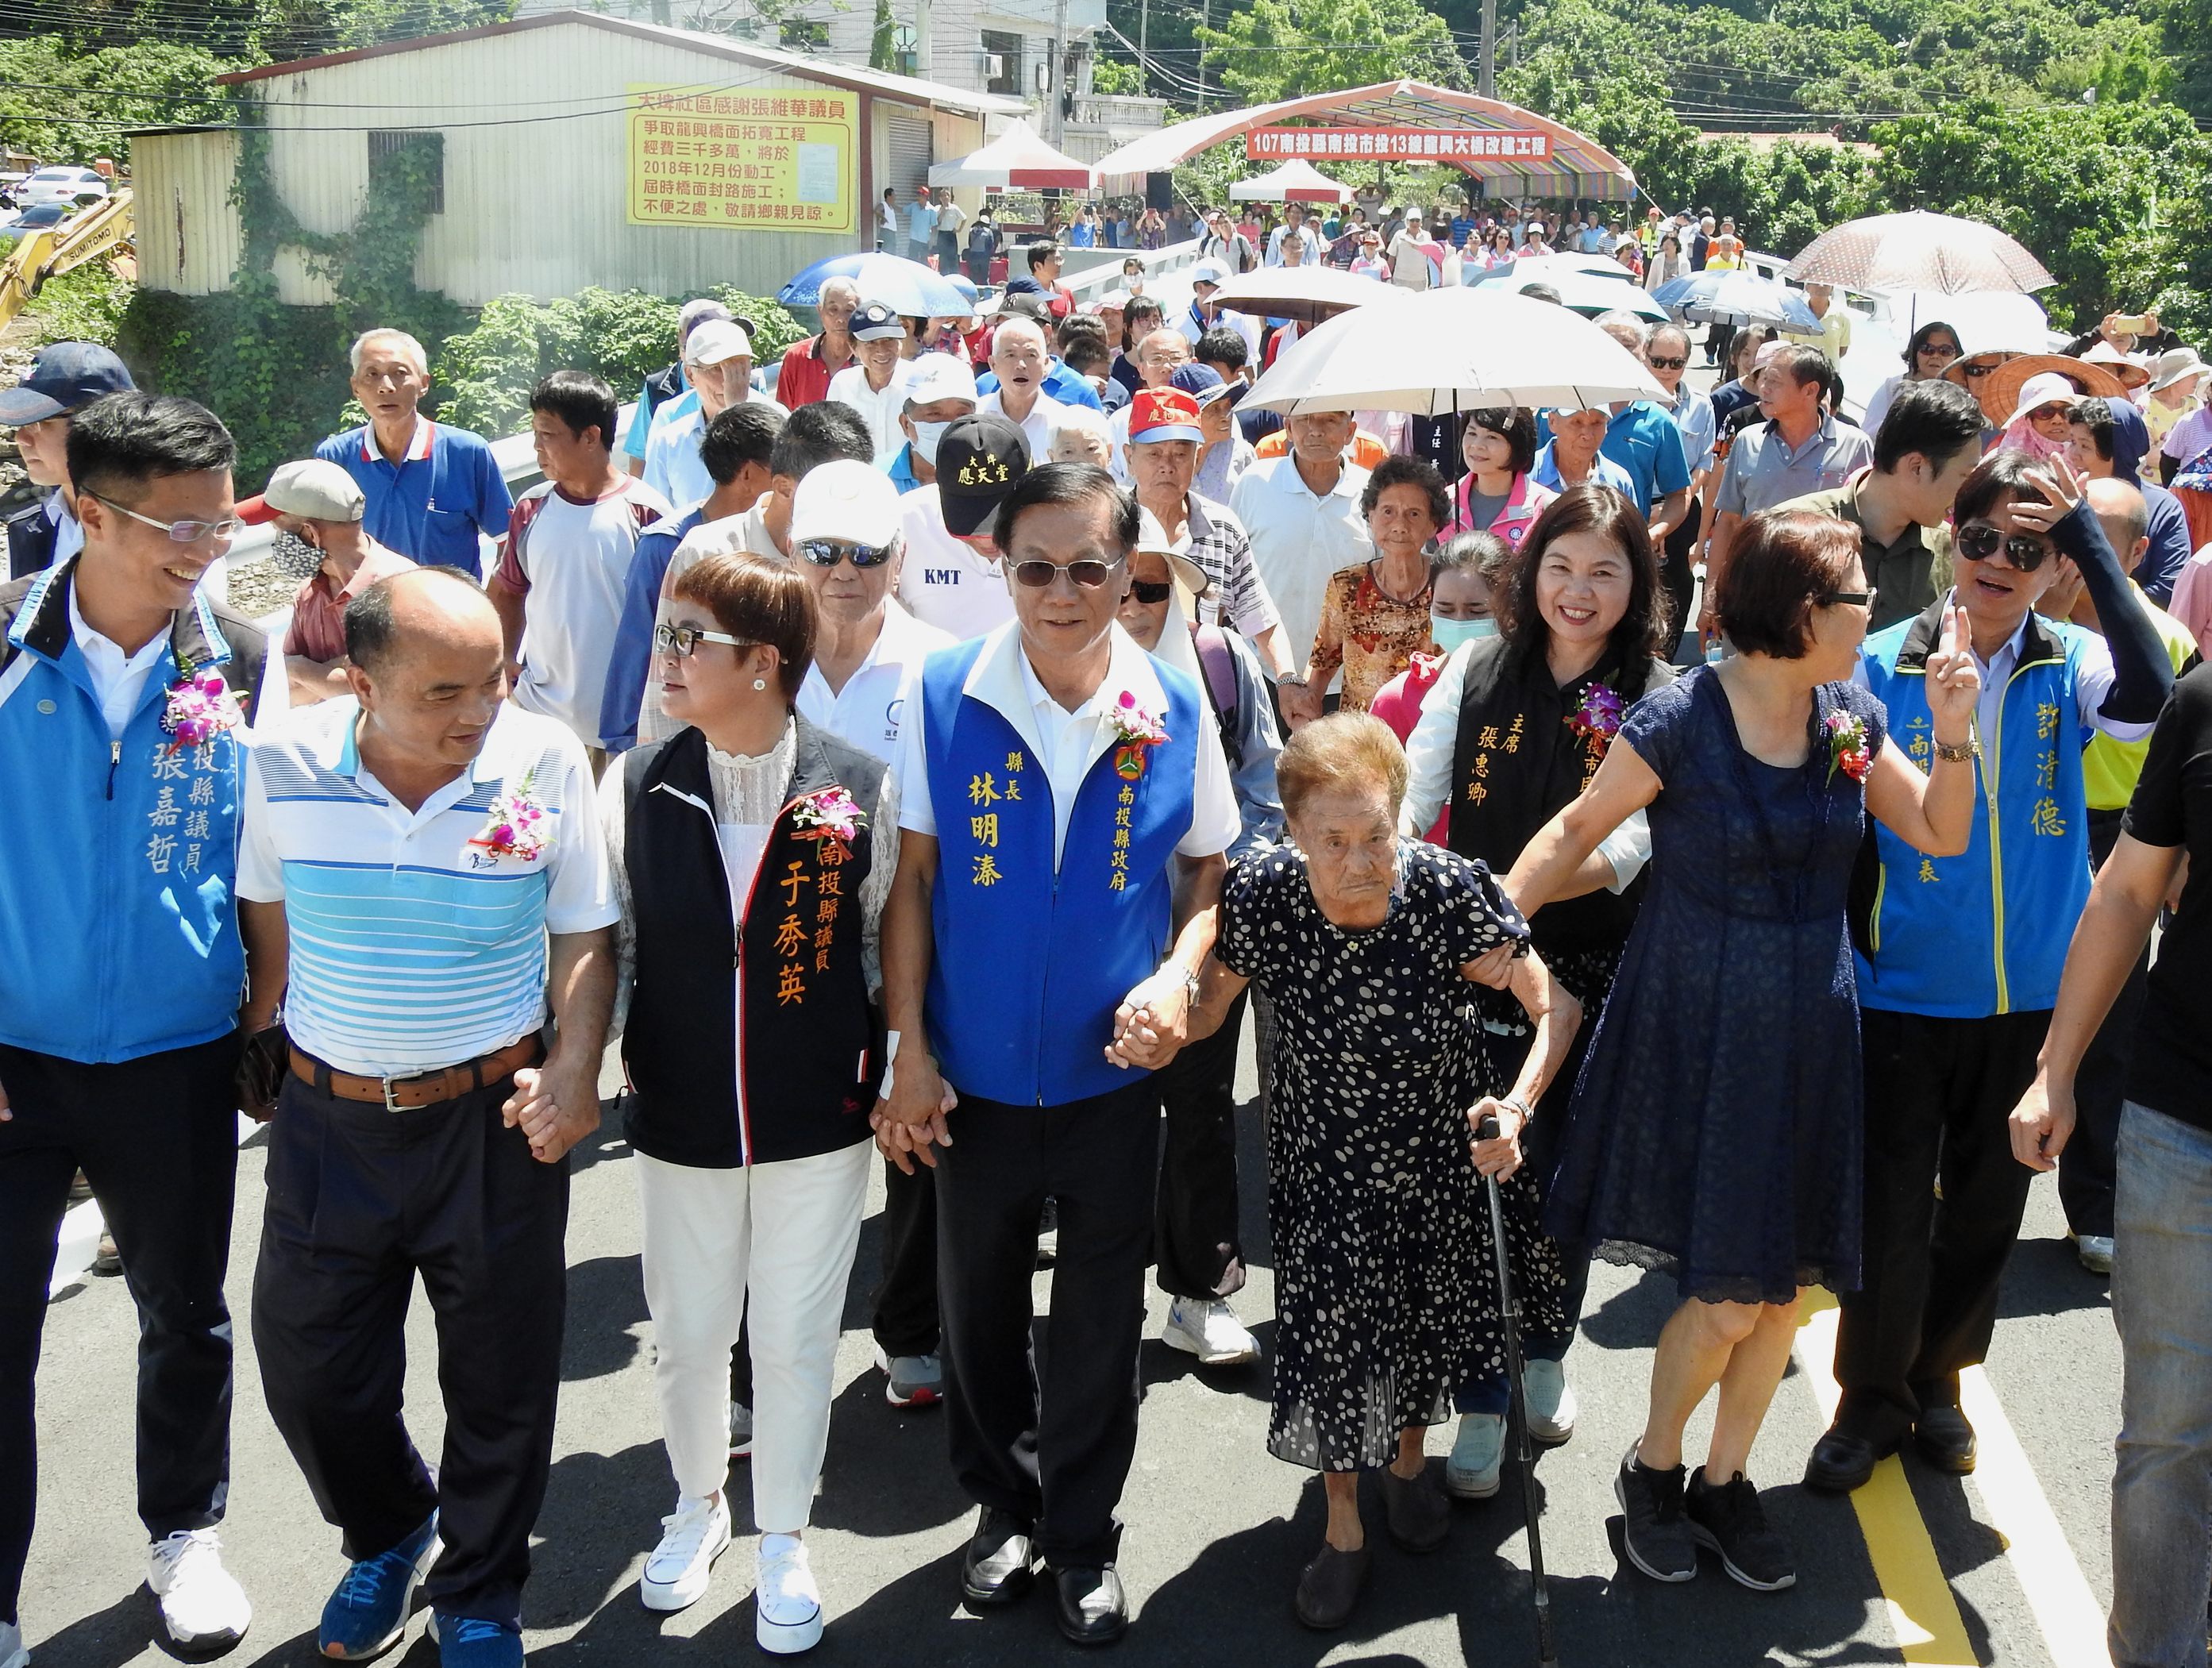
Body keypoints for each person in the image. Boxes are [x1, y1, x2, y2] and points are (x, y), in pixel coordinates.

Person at [1507, 507, 1981, 1590]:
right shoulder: (1680, 719)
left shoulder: (1847, 715)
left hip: (1810, 1031)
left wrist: (1954, 730)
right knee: (1723, 1290)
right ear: (1805, 610)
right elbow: (1578, 829)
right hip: (1695, 1029)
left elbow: (1939, 829)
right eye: (1860, 597)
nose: (1875, 614)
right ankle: (1653, 1469)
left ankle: (1725, 1483)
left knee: (1776, 1293)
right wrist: (1492, 922)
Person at [874, 464, 1239, 1646]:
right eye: (1035, 566)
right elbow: (916, 879)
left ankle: (1082, 1534)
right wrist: (909, 1052)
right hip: (970, 1078)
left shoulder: (1177, 705)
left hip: (1112, 1081)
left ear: (1128, 568)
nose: (1063, 592)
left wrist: (1178, 977)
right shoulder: (940, 691)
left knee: (1095, 1321)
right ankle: (1003, 1508)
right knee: (973, 1308)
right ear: (1000, 566)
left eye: (1091, 567)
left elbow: (1205, 874)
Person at [241, 568, 615, 1667]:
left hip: (489, 1121)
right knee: (308, 1368)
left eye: (492, 681)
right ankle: (390, 1524)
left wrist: (580, 1063)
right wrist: (268, 1046)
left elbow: (584, 934)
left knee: (499, 1377)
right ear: (357, 682)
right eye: (443, 691)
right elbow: (267, 920)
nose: (477, 713)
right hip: (327, 1123)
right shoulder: (280, 771)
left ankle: (479, 1589)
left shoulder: (539, 760)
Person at [1809, 451, 2175, 1497]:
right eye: (1979, 540)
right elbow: (1836, 804)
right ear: (1947, 543)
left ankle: (1938, 1379)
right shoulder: (1872, 665)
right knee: (1886, 1205)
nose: (1998, 563)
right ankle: (1866, 1396)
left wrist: (2095, 553)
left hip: (2031, 997)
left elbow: (2158, 688)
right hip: (1900, 988)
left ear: (2055, 567)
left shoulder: (2075, 664)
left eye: (2029, 549)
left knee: (1984, 1204)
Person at [1158, 713, 1576, 1627]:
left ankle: (1406, 1463)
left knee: (1423, 1318)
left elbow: (1554, 1003)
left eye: (1377, 834)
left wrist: (1517, 1104)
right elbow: (1205, 1012)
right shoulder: (1266, 894)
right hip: (1321, 1161)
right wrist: (1157, 1018)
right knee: (1334, 1338)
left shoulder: (1440, 891)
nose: (1360, 860)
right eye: (1333, 840)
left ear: (1403, 821)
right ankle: (1342, 1524)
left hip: (1435, 1152)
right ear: (1292, 832)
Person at [0, 393, 276, 1666]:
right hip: (13, 1058)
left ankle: (185, 1535)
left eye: (218, 527)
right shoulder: (5, 646)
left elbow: (258, 860)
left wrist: (260, 1019)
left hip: (174, 1053)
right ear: (90, 511)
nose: (202, 552)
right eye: (176, 528)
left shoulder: (237, 660)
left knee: (185, 1311)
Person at [604, 544, 897, 1650]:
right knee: (684, 1335)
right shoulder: (638, 781)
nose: (667, 658)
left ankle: (784, 1535)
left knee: (794, 1338)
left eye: (691, 640)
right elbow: (614, 943)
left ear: (763, 663)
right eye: (666, 634)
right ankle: (693, 1508)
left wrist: (891, 1063)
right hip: (679, 1118)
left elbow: (879, 944)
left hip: (813, 1119)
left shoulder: (854, 782)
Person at [1397, 487, 1677, 1493]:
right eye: (1561, 565)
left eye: (1605, 571)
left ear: (1636, 587)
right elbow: (1412, 794)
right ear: (1529, 574)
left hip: (1590, 969)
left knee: (1564, 1173)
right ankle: (1477, 1393)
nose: (1578, 590)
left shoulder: (1657, 691)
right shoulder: (1474, 668)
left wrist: (1509, 912)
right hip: (1468, 967)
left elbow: (1633, 847)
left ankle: (1546, 1349)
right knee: (1476, 1171)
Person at [2005, 659, 2212, 1668]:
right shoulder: (2204, 701)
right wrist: (2056, 1069)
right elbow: (2128, 890)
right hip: (2183, 1119)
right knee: (2170, 1428)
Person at [1114, 513, 1283, 1369]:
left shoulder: (1221, 662)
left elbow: (1266, 784)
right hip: (1091, 940)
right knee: (1096, 1120)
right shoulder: (1052, 666)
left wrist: (1228, 878)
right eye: (1121, 582)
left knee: (1198, 1113)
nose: (1133, 602)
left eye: (1153, 587)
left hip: (1201, 926)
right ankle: (1097, 1302)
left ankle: (1196, 1292)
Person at [2022, 478, 2199, 1277]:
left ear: (2126, 553)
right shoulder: (2024, 629)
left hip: (2120, 839)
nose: (2060, 563)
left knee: (2108, 1026)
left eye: (2081, 544)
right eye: (2054, 545)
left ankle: (2095, 1204)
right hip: (2028, 833)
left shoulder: (2157, 640)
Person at [638, 405, 875, 748]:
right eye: (828, 492)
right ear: (783, 487)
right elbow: (669, 682)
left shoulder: (869, 557)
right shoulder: (709, 552)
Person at [489, 372, 673, 764]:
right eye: (535, 434)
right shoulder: (531, 508)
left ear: (590, 437)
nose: (537, 447)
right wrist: (504, 659)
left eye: (548, 434)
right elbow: (507, 591)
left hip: (622, 729)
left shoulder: (648, 514)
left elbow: (671, 615)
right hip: (540, 720)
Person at [602, 403, 784, 755]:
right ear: (748, 475)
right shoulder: (668, 545)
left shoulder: (780, 540)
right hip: (681, 742)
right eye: (779, 471)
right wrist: (625, 747)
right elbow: (639, 647)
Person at [1774, 377, 1983, 634]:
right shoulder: (1791, 533)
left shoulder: (1952, 554)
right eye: (1966, 476)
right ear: (1917, 467)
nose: (1970, 492)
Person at [1703, 345, 1875, 641]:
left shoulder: (1854, 445)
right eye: (1763, 380)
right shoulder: (1747, 441)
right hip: (1750, 597)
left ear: (1810, 390)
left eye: (1774, 382)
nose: (1763, 388)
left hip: (1821, 604)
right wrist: (1711, 596)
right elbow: (1728, 522)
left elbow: (1868, 527)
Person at [1123, 385, 1293, 680]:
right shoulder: (1105, 526)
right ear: (1129, 458)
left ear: (1197, 457)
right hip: (1121, 687)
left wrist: (1288, 678)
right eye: (1154, 454)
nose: (1167, 466)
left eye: (1180, 454)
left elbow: (1259, 618)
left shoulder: (1223, 527)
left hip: (1203, 690)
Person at [318, 329, 514, 577]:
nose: (386, 387)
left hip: (449, 611)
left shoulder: (465, 453)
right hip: (365, 612)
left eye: (400, 374)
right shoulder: (335, 459)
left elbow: (508, 540)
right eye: (372, 374)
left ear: (424, 383)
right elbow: (315, 548)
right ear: (356, 387)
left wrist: (492, 604)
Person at [237, 457, 415, 706]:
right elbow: (284, 690)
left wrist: (299, 667)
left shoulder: (403, 590)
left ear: (311, 534)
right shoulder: (307, 594)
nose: (277, 543)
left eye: (278, 531)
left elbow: (374, 691)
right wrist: (331, 672)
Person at [1231, 410, 1374, 715]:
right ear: (1287, 428)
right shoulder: (1255, 483)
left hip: (1346, 680)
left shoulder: (1372, 492)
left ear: (1350, 432)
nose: (1316, 431)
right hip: (1263, 671)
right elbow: (1232, 572)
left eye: (1329, 421)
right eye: (1305, 420)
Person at [1286, 456, 1448, 725]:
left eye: (1414, 514)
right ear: (1370, 516)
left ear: (1433, 524)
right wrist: (1305, 718)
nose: (1399, 525)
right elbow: (1322, 664)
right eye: (1387, 511)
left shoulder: (1447, 583)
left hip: (1432, 735)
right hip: (1363, 741)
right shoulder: (1347, 587)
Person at [0, 341, 133, 578]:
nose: (21, 438)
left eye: (40, 423)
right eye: (21, 423)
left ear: (101, 423)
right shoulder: (28, 529)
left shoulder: (164, 530)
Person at [896, 413, 1031, 643]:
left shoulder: (1059, 524)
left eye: (1001, 525)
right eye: (972, 526)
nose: (989, 541)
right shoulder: (906, 520)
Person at [2063, 397, 2195, 605]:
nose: (2073, 455)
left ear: (2119, 450)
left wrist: (2109, 613)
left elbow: (2169, 585)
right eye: (2072, 442)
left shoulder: (2163, 509)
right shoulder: (2066, 502)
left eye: (2085, 446)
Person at [642, 319, 787, 507]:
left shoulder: (780, 421)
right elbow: (655, 512)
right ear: (690, 375)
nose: (729, 380)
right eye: (717, 369)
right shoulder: (670, 442)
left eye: (739, 367)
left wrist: (737, 411)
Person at [616, 299, 733, 474]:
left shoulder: (750, 383)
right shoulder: (660, 390)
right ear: (681, 340)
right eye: (694, 342)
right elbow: (641, 460)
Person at [1441, 407, 1556, 550]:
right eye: (1471, 433)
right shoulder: (1444, 502)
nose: (1477, 445)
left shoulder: (1546, 507)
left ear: (1518, 445)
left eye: (1492, 437)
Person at [829, 302, 918, 468]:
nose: (882, 350)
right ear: (853, 347)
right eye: (871, 343)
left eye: (889, 340)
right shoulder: (842, 385)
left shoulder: (918, 382)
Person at [976, 315, 1071, 462]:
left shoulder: (1063, 421)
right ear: (993, 364)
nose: (1021, 365)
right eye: (1010, 355)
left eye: (1031, 355)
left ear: (1046, 364)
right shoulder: (975, 417)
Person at [884, 354, 979, 494]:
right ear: (906, 424)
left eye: (962, 414)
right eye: (934, 414)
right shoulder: (876, 477)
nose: (949, 425)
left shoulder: (992, 477)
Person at [1859, 320, 1963, 437]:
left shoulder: (1962, 395)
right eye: (1927, 349)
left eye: (1945, 351)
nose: (1935, 356)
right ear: (1915, 352)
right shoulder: (1893, 388)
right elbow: (1867, 435)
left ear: (1956, 355)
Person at [775, 279, 861, 414]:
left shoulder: (868, 360)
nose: (841, 319)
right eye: (833, 310)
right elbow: (782, 414)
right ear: (820, 311)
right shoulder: (797, 356)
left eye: (849, 310)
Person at [1532, 406, 1637, 499]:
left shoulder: (1619, 482)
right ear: (1552, 422)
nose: (1587, 435)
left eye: (1597, 423)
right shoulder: (1526, 475)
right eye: (1577, 422)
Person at [1177, 259, 1260, 364]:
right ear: (1199, 288)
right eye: (1219, 288)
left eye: (1227, 287)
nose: (1224, 292)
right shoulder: (1177, 327)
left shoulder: (1239, 321)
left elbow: (1248, 367)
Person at [1189, 372, 1255, 503]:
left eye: (1228, 406)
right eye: (1214, 409)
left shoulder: (1242, 453)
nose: (1226, 416)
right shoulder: (1165, 458)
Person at [904, 186, 938, 264]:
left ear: (925, 197)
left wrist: (932, 241)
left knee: (923, 262)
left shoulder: (931, 210)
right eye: (918, 195)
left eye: (920, 196)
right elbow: (903, 210)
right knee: (912, 260)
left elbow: (934, 227)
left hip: (924, 241)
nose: (918, 198)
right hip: (913, 240)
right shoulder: (914, 206)